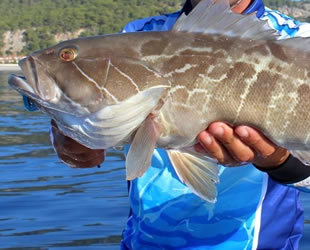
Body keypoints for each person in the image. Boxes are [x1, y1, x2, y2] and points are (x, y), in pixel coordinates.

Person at [47, 0, 310, 249]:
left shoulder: (295, 36)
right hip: (143, 242)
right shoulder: (138, 33)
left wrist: (278, 160)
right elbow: (99, 129)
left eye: (68, 56)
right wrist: (75, 139)